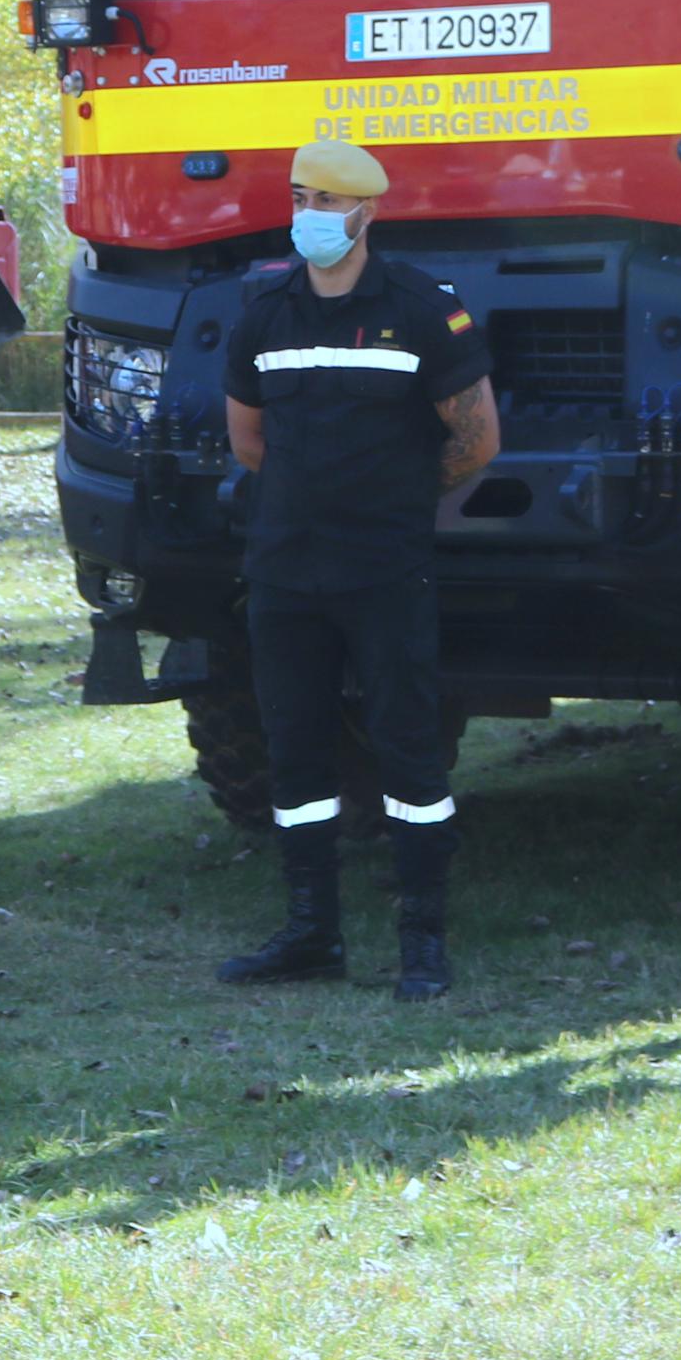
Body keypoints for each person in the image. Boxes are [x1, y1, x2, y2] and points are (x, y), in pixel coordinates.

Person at [210, 138, 498, 998]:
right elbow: (246, 437)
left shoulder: (418, 308)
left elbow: (476, 439)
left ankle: (421, 941)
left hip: (383, 570)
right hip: (285, 572)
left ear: (366, 212)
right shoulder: (265, 308)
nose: (310, 215)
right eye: (301, 197)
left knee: (409, 752)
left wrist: (397, 498)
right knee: (295, 754)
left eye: (327, 202)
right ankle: (311, 933)